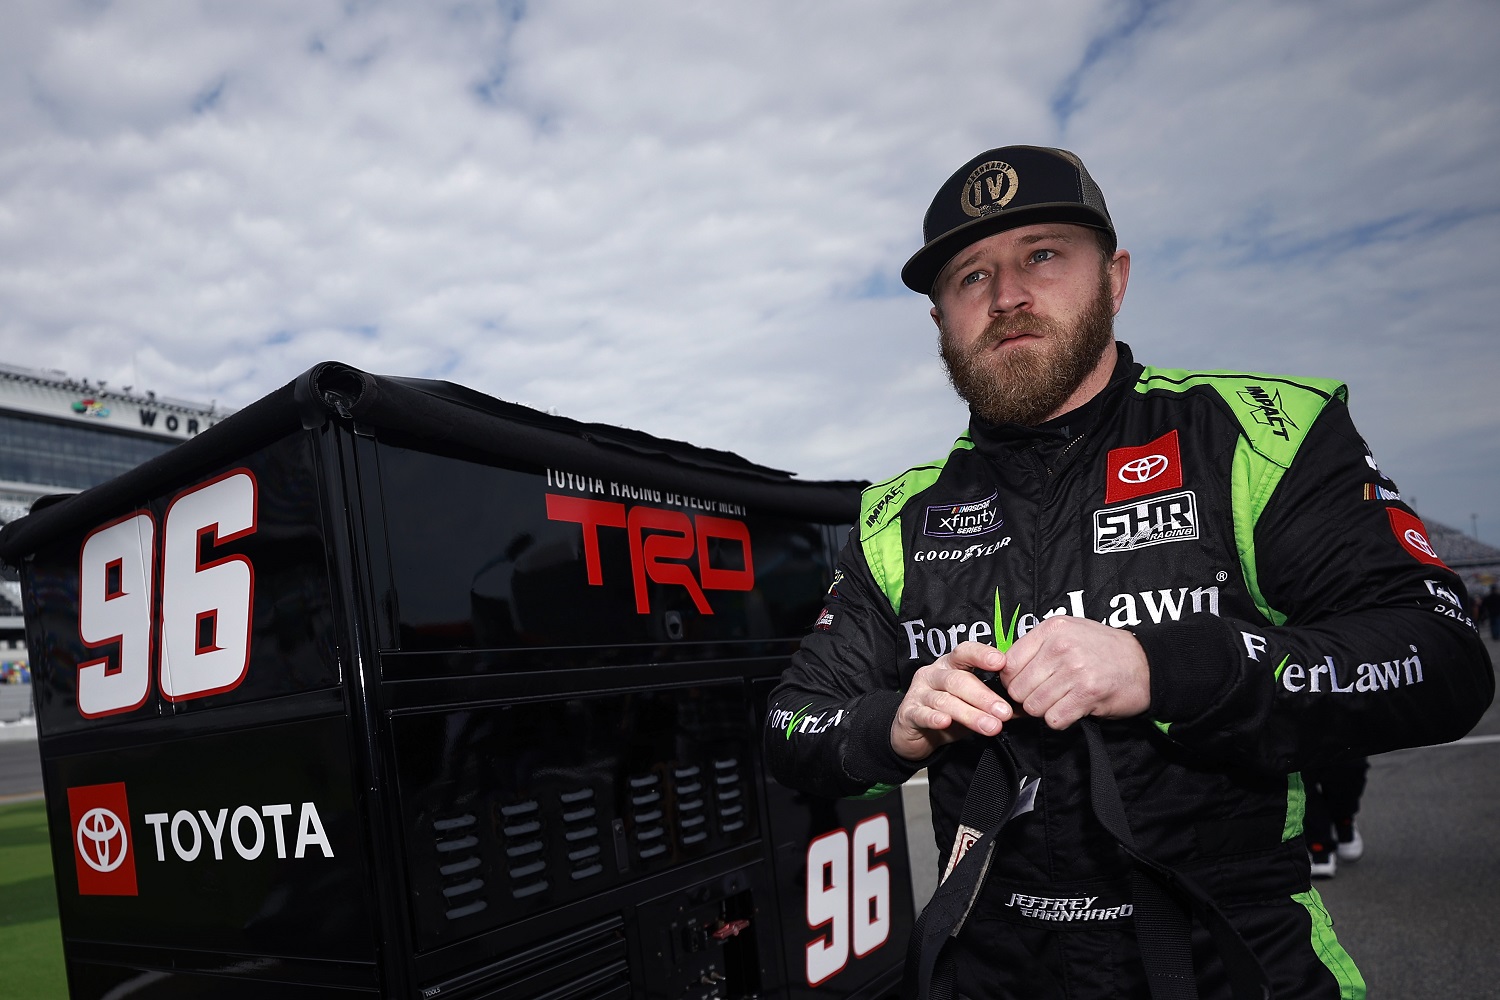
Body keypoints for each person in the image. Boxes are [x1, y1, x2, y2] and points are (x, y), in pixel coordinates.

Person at [764, 145, 1494, 1000]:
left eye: (1042, 254)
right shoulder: (897, 515)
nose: (1007, 297)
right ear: (939, 323)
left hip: (1234, 959)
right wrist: (896, 723)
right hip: (990, 972)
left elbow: (1441, 659)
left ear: (1114, 278)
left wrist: (1167, 667)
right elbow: (789, 726)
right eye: (971, 276)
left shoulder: (1261, 432)